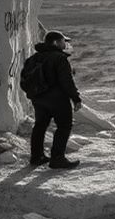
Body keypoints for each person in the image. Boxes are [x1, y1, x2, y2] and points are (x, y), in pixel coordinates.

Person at [24, 30, 83, 169]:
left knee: (40, 125)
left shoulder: (34, 58)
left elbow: (25, 79)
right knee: (64, 126)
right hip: (57, 99)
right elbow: (66, 81)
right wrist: (76, 98)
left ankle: (36, 157)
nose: (66, 44)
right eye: (64, 41)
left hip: (38, 99)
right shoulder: (59, 58)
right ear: (56, 42)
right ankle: (57, 158)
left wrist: (35, 95)